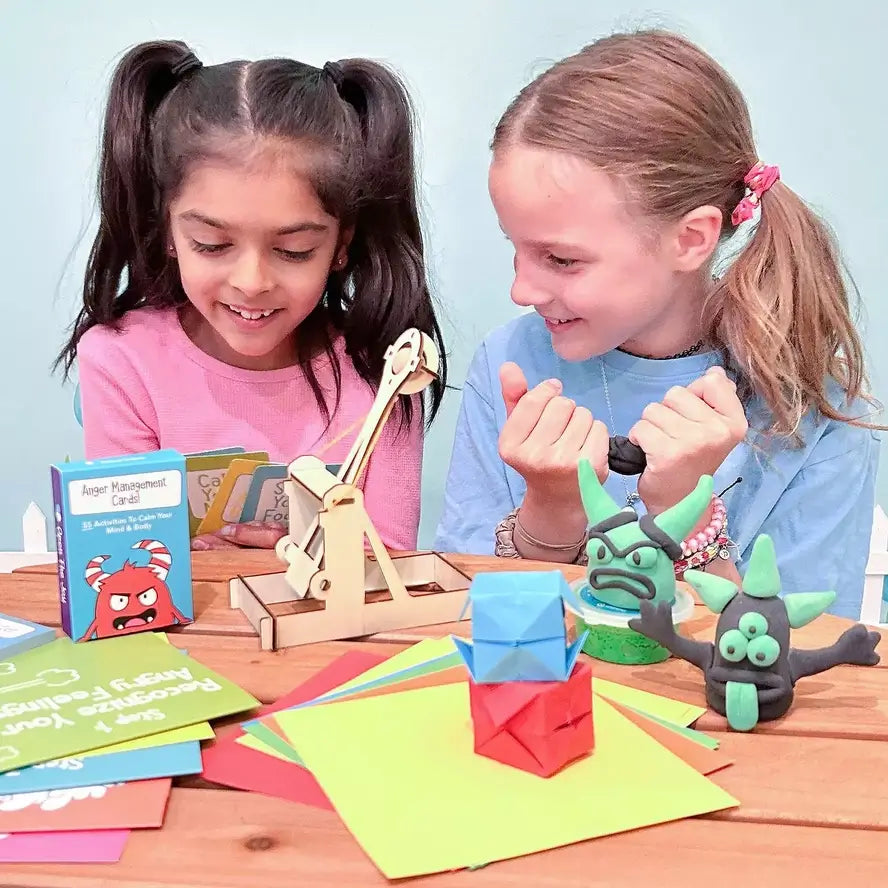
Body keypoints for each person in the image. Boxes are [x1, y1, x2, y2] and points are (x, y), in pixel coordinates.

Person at [434, 29, 882, 620]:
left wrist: (688, 513)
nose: (521, 289)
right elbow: (464, 622)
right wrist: (552, 510)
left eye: (561, 259)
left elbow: (802, 655)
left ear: (690, 239)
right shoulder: (510, 363)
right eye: (515, 248)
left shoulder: (817, 411)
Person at [55, 39, 447, 553]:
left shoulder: (387, 371)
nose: (252, 281)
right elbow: (126, 562)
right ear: (169, 232)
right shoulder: (120, 358)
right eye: (212, 244)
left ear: (340, 245)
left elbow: (390, 560)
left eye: (295, 250)